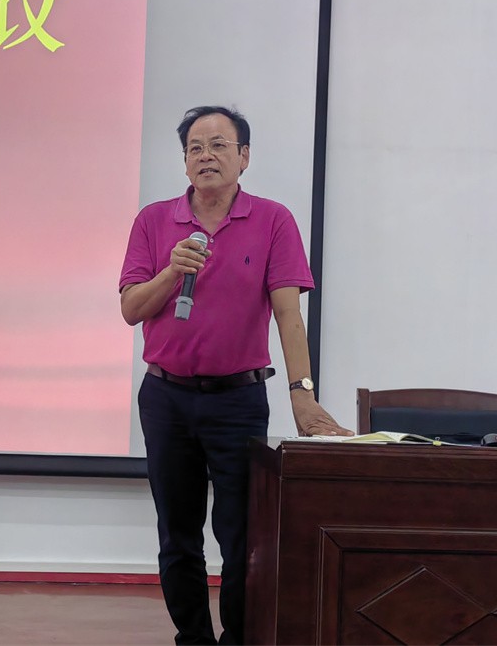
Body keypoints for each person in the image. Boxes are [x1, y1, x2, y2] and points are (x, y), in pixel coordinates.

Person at [119, 105, 352, 645]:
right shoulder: (153, 221)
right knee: (178, 534)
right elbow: (132, 308)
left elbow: (289, 314)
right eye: (195, 148)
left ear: (244, 157)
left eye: (219, 145)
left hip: (238, 402)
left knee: (242, 536)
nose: (206, 156)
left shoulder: (273, 220)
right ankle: (193, 639)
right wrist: (172, 271)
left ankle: (238, 640)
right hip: (166, 398)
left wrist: (302, 394)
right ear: (184, 162)